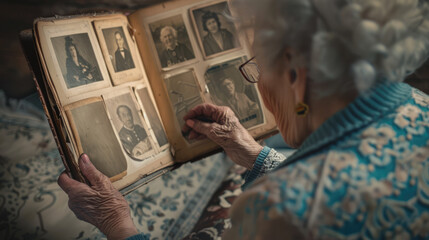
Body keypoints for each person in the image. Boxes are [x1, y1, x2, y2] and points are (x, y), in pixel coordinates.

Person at [58, 0, 429, 239]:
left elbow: (315, 200)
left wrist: (117, 223)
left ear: (297, 78)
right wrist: (255, 154)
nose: (258, 83)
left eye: (257, 67)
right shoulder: (420, 102)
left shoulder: (278, 209)